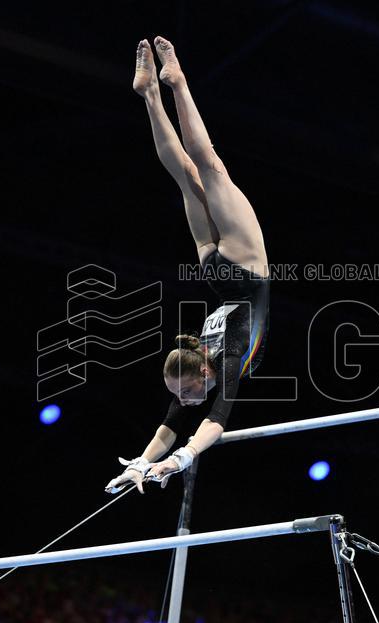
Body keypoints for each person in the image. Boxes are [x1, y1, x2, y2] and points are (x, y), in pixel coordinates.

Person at [105, 36, 270, 494]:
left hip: (243, 265)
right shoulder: (222, 361)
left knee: (205, 166)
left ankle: (170, 85)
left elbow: (199, 424)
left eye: (183, 394)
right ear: (202, 374)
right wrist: (154, 461)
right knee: (190, 171)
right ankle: (152, 92)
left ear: (198, 373)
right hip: (217, 267)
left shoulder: (214, 365)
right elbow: (198, 423)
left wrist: (162, 459)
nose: (181, 401)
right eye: (182, 394)